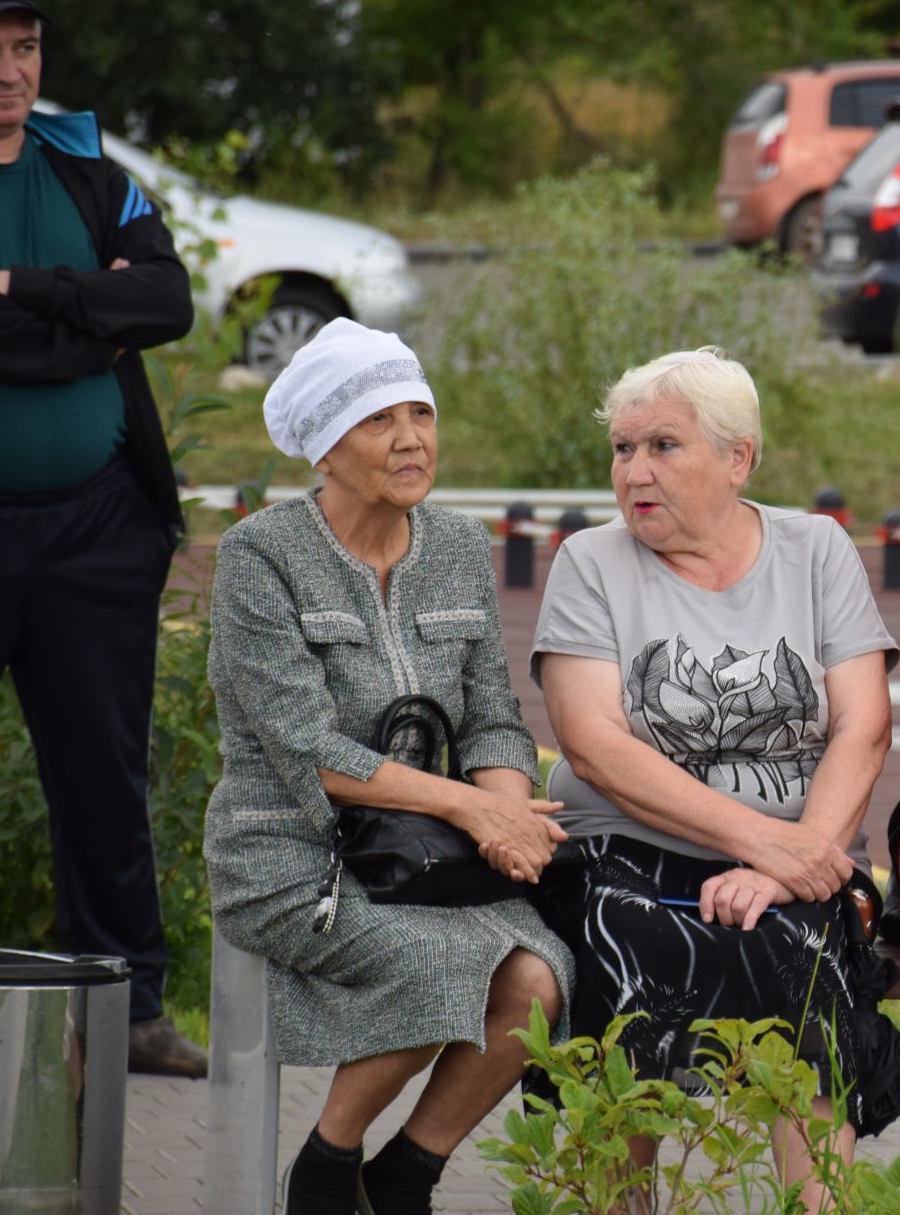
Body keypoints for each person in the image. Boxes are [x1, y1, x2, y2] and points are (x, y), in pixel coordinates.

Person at [205, 320, 574, 1215]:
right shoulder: (261, 557)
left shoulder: (454, 547)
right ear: (325, 449)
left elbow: (492, 715)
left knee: (540, 976)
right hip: (288, 852)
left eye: (422, 412)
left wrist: (509, 819)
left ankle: (405, 1173)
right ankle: (326, 1170)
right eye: (379, 420)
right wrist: (474, 813)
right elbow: (306, 746)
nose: (411, 438)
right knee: (438, 967)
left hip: (420, 849)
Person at [530, 348, 899, 1210]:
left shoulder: (816, 550)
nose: (635, 472)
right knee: (627, 957)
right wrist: (758, 841)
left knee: (806, 965)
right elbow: (593, 744)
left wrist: (788, 862)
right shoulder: (592, 563)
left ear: (740, 458)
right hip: (630, 856)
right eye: (622, 450)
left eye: (663, 446)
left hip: (794, 863)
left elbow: (864, 726)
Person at [0, 0, 204, 1076]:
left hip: (99, 530)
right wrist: (89, 320)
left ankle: (132, 1008)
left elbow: (168, 299)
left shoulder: (87, 167)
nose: (10, 70)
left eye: (24, 48)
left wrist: (31, 288)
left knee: (104, 771)